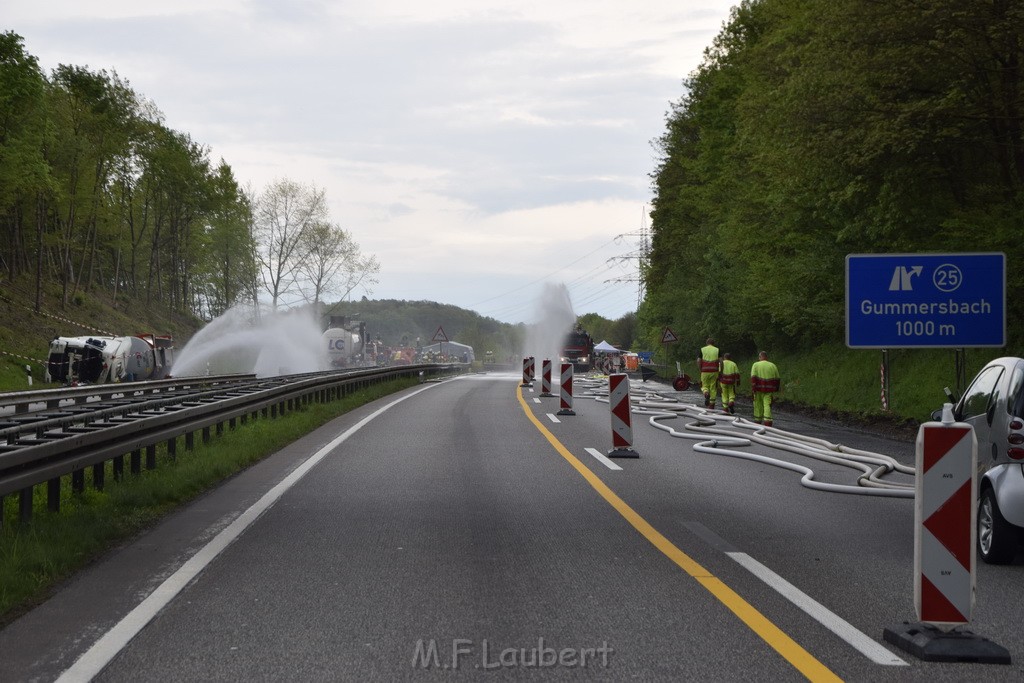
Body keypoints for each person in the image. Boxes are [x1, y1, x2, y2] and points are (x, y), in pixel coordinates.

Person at [750, 350, 781, 426]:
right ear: (767, 357)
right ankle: (768, 421)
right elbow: (777, 379)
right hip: (769, 390)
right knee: (767, 404)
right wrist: (776, 388)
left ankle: (757, 421)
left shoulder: (755, 365)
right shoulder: (772, 365)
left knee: (758, 405)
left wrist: (753, 389)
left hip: (758, 389)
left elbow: (753, 378)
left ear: (760, 357)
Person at [696, 337, 721, 408]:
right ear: (713, 343)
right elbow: (721, 361)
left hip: (704, 371)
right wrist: (720, 371)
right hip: (714, 372)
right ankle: (712, 405)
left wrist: (700, 369)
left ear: (707, 343)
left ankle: (706, 393)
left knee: (704, 386)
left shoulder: (702, 349)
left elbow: (698, 360)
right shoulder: (717, 350)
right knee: (713, 387)